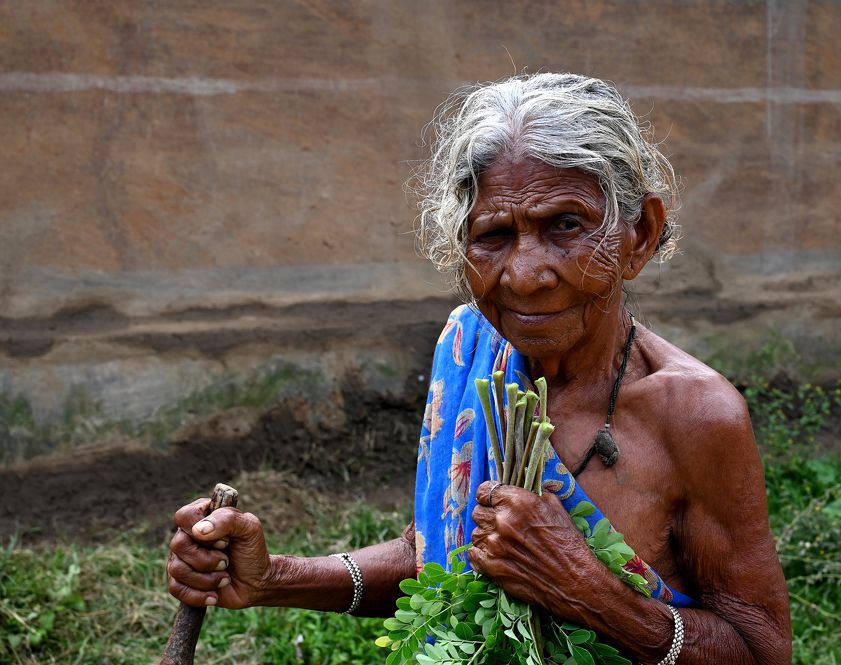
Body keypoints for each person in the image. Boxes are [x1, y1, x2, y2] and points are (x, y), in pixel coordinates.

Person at [167, 73, 792, 664]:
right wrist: (274, 577)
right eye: (493, 235)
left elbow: (761, 651)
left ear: (640, 234)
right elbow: (435, 561)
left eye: (566, 225)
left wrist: (586, 590)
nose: (525, 274)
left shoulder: (693, 416)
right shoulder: (471, 352)